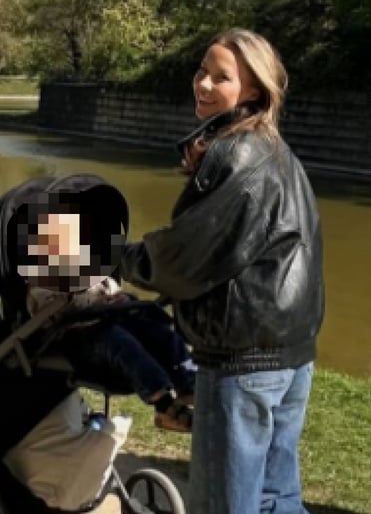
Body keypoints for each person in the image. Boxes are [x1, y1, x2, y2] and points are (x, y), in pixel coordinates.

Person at [118, 29, 325, 513]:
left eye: (221, 77)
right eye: (202, 72)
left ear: (252, 90)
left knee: (224, 503)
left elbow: (179, 261)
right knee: (276, 498)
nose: (203, 85)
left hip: (244, 360)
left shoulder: (237, 155)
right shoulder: (272, 147)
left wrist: (103, 253)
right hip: (291, 350)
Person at [19, 209, 197, 433]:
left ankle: (188, 382)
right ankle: (163, 405)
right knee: (120, 342)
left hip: (108, 324)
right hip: (77, 341)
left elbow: (109, 288)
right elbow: (53, 315)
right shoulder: (40, 282)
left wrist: (118, 297)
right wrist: (93, 303)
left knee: (157, 328)